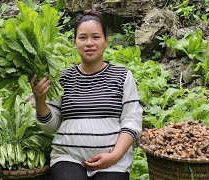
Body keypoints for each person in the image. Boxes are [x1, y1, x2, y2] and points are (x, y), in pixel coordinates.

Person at [30, 9, 143, 180]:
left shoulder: (122, 76)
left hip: (114, 160)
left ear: (106, 41)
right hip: (68, 157)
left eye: (96, 37)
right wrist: (40, 100)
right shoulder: (62, 78)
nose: (89, 43)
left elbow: (132, 121)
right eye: (82, 37)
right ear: (74, 42)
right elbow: (50, 127)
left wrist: (114, 156)